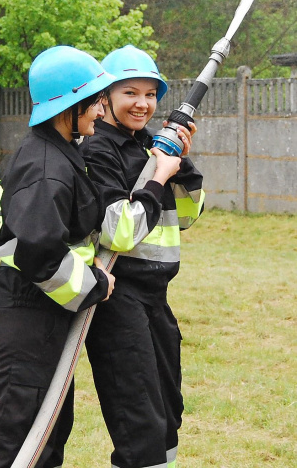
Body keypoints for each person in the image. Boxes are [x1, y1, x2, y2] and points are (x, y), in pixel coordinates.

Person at [0, 46, 117, 468]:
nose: (100, 110)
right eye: (93, 102)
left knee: (49, 431)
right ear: (68, 106)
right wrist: (95, 284)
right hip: (29, 310)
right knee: (20, 433)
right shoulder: (45, 166)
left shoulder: (54, 150)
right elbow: (40, 256)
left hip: (40, 309)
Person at [79, 45, 205, 468]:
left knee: (169, 414)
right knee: (140, 425)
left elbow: (185, 218)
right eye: (130, 93)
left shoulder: (155, 147)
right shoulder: (97, 151)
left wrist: (180, 166)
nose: (142, 104)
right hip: (117, 297)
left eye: (150, 94)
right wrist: (158, 175)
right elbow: (118, 231)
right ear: (106, 98)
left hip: (156, 297)